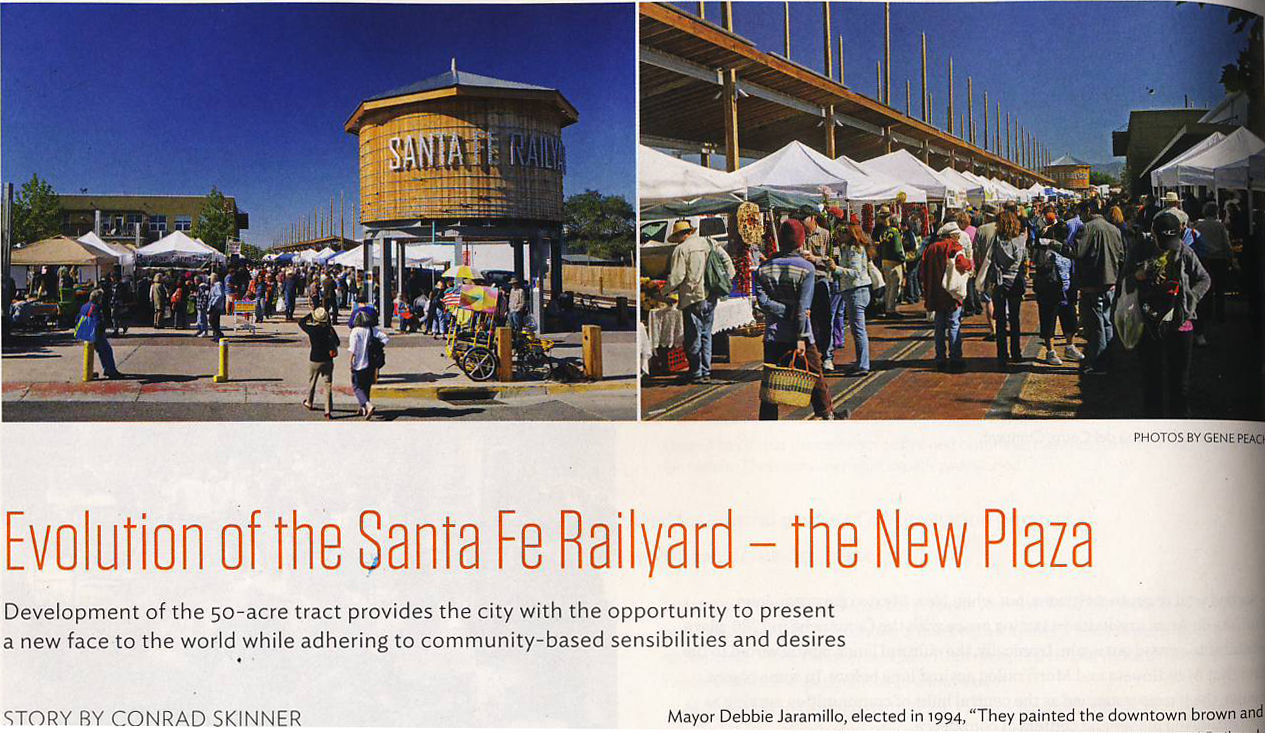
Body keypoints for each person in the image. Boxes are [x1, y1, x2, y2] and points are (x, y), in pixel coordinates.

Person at [753, 219, 849, 420]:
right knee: (815, 375)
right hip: (801, 333)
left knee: (771, 381)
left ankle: (767, 423)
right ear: (801, 241)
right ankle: (827, 414)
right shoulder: (806, 269)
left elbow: (762, 302)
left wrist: (782, 310)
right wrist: (799, 335)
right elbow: (803, 309)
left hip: (773, 333)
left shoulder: (763, 269)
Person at [1121, 212, 1211, 418]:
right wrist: (1138, 275)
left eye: (1171, 240)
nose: (1167, 245)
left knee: (1179, 382)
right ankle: (1154, 426)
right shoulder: (1141, 250)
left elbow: (1204, 279)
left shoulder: (1185, 252)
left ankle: (1179, 425)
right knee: (1151, 379)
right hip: (1149, 323)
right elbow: (1124, 281)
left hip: (1180, 325)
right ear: (1153, 233)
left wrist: (1191, 299)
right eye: (1163, 240)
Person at [1054, 201, 1124, 375]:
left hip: (1093, 282)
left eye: (1081, 213)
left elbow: (1075, 252)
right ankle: (1108, 360)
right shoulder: (1114, 229)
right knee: (1107, 323)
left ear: (1088, 211)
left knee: (1097, 325)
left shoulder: (1087, 228)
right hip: (1111, 281)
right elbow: (1122, 254)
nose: (1079, 217)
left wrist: (1056, 245)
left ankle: (1099, 364)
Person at [664, 220, 734, 385]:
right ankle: (706, 370)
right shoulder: (709, 242)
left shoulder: (681, 249)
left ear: (680, 235)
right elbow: (728, 263)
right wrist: (726, 280)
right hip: (711, 295)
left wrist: (663, 291)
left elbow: (677, 277)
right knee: (706, 334)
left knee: (693, 335)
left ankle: (696, 372)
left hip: (692, 297)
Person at [922, 223, 974, 372]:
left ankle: (940, 358)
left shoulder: (931, 248)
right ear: (951, 235)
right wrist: (970, 266)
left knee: (939, 327)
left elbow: (923, 270)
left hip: (935, 292)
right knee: (953, 324)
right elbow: (963, 264)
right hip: (951, 293)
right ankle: (955, 358)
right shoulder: (953, 248)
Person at [828, 222, 873, 377]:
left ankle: (863, 364)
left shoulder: (854, 249)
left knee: (858, 329)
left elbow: (855, 272)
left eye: (843, 232)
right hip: (852, 290)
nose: (840, 235)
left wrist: (836, 269)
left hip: (857, 290)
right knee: (856, 329)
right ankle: (861, 362)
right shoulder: (846, 248)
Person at [984, 210, 1028, 367]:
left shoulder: (996, 241)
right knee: (1015, 319)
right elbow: (1024, 261)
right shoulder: (1021, 240)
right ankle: (1016, 352)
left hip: (1000, 283)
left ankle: (1002, 354)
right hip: (1015, 282)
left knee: (1001, 320)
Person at [1192, 201, 1234, 345]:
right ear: (1216, 212)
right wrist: (1231, 258)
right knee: (1220, 288)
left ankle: (1208, 313)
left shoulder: (1198, 226)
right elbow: (1226, 244)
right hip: (1219, 258)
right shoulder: (1220, 226)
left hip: (1205, 259)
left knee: (1207, 288)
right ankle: (1220, 314)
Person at [298, 307, 339, 419]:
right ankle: (328, 410)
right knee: (328, 385)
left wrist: (310, 314)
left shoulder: (312, 330)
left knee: (312, 382)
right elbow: (338, 342)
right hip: (327, 360)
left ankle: (309, 402)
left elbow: (301, 322)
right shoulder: (329, 329)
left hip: (314, 358)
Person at [349, 309, 389, 419]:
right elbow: (385, 338)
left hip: (358, 362)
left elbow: (353, 349)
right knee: (366, 386)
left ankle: (368, 405)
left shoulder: (355, 331)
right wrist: (378, 345)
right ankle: (363, 407)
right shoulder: (372, 330)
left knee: (356, 386)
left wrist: (350, 363)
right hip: (370, 362)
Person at [76, 289, 125, 379]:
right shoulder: (95, 307)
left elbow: (78, 318)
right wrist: (103, 329)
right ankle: (110, 371)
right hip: (95, 334)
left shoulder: (84, 306)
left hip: (85, 333)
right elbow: (97, 321)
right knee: (106, 351)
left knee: (93, 352)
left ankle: (89, 371)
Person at [971, 205, 1001, 340]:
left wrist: (977, 267)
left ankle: (993, 329)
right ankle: (1002, 326)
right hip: (1001, 268)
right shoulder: (1002, 227)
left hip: (985, 268)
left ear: (987, 216)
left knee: (988, 300)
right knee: (1000, 298)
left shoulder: (981, 230)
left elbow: (976, 251)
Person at [874, 208, 905, 317]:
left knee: (888, 286)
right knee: (895, 285)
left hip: (885, 260)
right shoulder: (895, 232)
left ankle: (887, 306)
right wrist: (903, 259)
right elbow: (897, 249)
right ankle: (891, 309)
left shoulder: (884, 231)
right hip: (894, 261)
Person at [208, 273, 227, 341]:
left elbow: (220, 295)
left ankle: (219, 334)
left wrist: (213, 303)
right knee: (215, 321)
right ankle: (216, 335)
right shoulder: (213, 285)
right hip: (212, 305)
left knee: (212, 320)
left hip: (216, 306)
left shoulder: (218, 285)